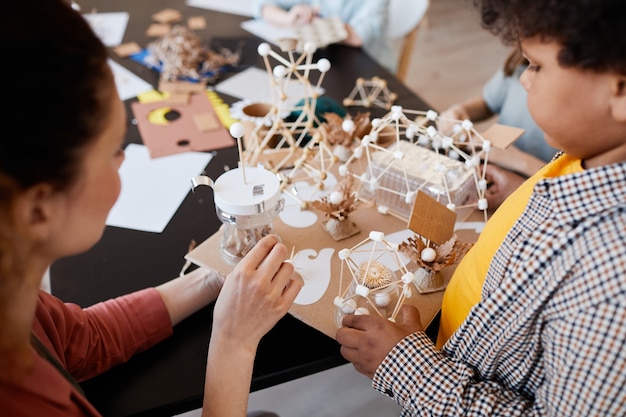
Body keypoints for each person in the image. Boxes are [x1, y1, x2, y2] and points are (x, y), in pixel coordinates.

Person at [0, 1, 302, 417]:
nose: (124, 162)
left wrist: (213, 277)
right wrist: (234, 342)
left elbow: (82, 340)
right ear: (38, 210)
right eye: (112, 152)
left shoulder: (15, 298)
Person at [336, 0, 626, 415]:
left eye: (538, 66)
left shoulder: (612, 289)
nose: (524, 79)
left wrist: (407, 367)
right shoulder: (592, 152)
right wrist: (521, 194)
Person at [439, 47, 560, 209]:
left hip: (536, 187)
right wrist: (462, 110)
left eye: (537, 67)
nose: (524, 79)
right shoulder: (519, 64)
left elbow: (569, 180)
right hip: (493, 174)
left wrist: (520, 160)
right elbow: (489, 102)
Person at [253, 0, 396, 73]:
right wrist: (289, 17)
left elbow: (357, 36)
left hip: (368, 65)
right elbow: (262, 5)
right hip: (324, 56)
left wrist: (313, 20)